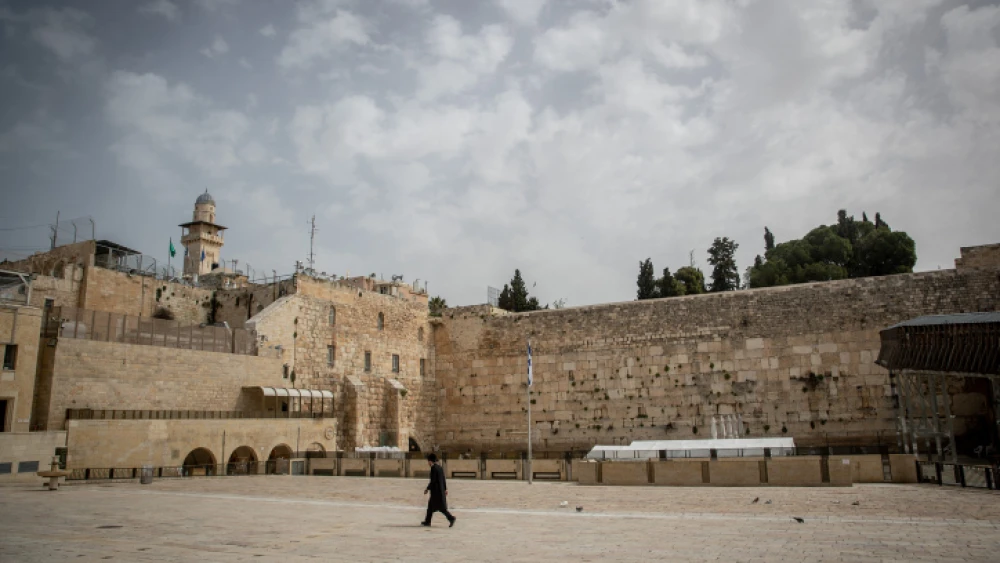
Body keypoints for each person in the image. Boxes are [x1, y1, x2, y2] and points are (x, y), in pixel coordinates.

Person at [421, 453, 456, 527]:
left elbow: (433, 481)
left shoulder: (433, 468)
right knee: (430, 507)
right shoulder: (440, 468)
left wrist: (427, 488)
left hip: (436, 492)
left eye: (428, 461)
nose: (428, 463)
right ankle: (427, 521)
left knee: (442, 508)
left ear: (430, 461)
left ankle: (451, 518)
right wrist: (445, 489)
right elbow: (443, 479)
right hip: (440, 491)